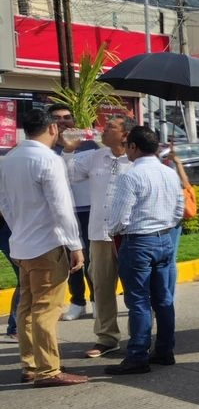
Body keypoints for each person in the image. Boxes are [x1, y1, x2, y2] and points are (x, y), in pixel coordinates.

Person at [0, 108, 87, 386]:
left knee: (26, 308)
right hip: (47, 244)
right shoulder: (48, 160)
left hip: (22, 244)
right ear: (51, 129)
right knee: (46, 309)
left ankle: (31, 364)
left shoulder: (9, 158)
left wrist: (20, 230)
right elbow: (62, 208)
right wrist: (75, 245)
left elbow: (5, 205)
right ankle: (48, 369)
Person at [103, 126, 185, 375]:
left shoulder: (130, 176)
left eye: (128, 144)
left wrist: (113, 231)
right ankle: (164, 350)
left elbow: (118, 217)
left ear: (133, 147)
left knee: (138, 301)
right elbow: (179, 209)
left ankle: (137, 355)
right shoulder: (169, 172)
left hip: (138, 241)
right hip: (164, 239)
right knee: (163, 300)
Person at [67, 114, 132, 358]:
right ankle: (107, 337)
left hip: (128, 235)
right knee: (102, 288)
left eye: (111, 128)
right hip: (99, 234)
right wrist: (70, 150)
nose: (103, 131)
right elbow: (66, 173)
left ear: (125, 135)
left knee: (135, 290)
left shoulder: (137, 160)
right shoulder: (95, 156)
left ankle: (139, 337)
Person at [51, 103, 99, 321]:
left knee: (91, 259)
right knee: (71, 258)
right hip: (62, 212)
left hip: (89, 210)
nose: (63, 121)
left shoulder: (89, 145)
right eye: (57, 118)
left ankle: (97, 301)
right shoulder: (47, 148)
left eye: (67, 117)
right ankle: (77, 301)